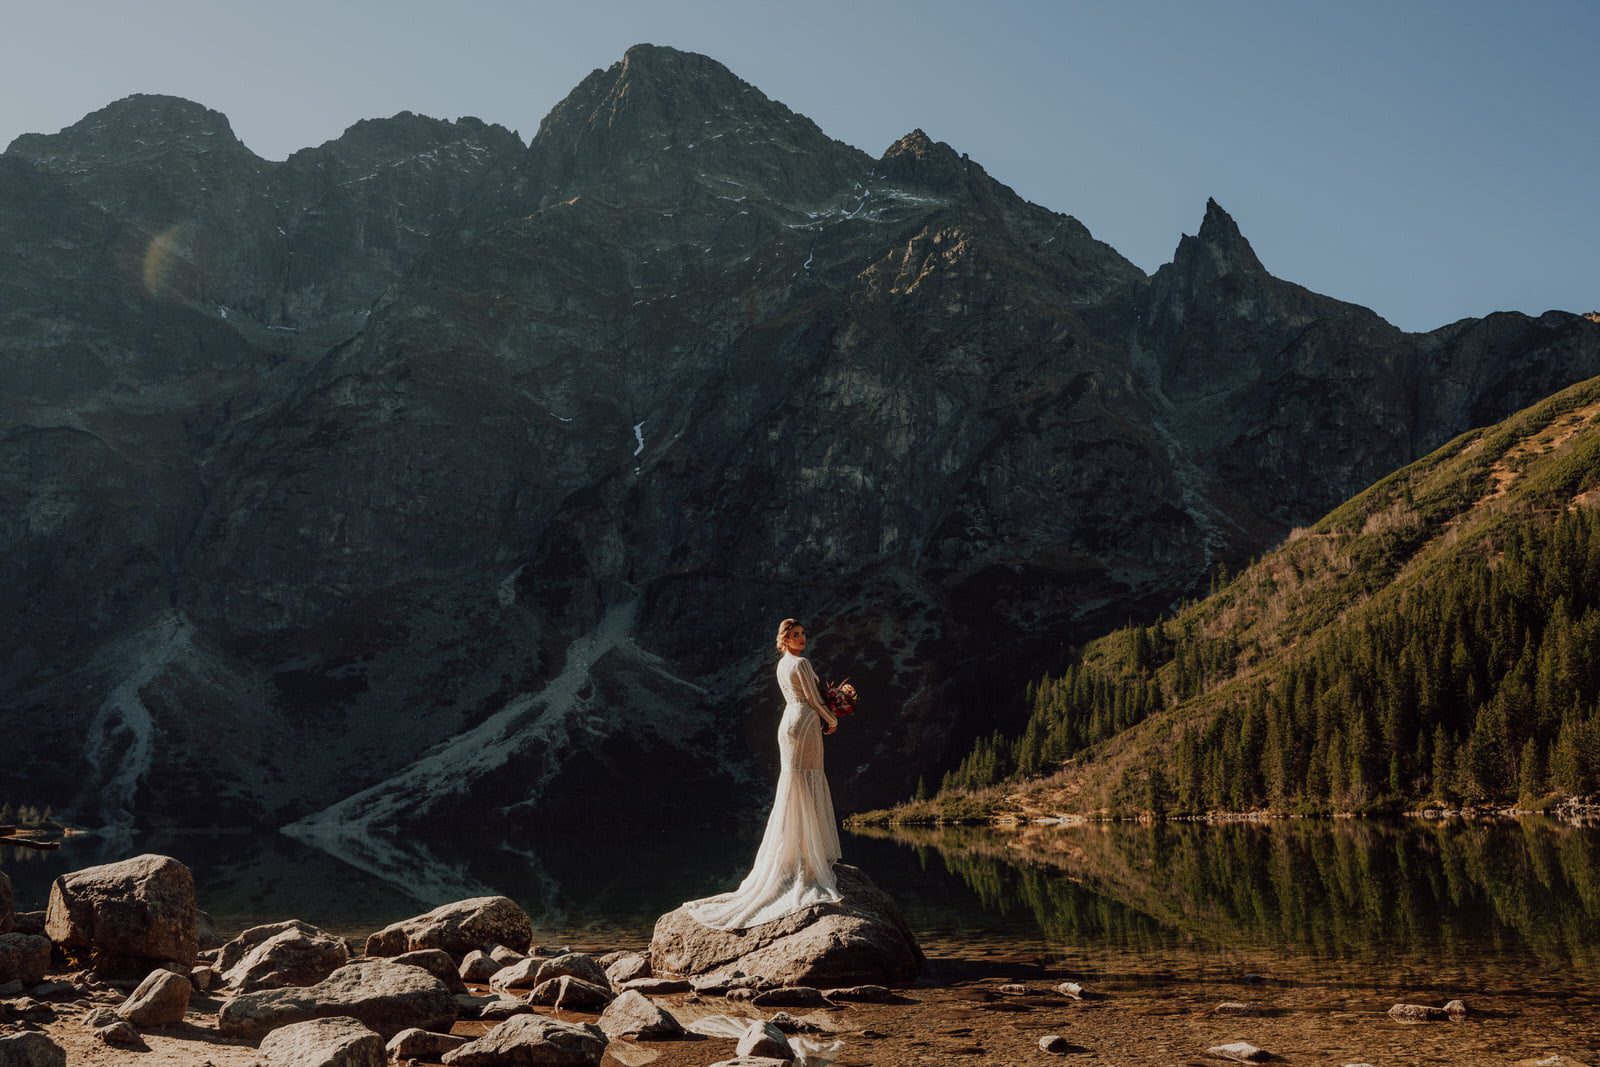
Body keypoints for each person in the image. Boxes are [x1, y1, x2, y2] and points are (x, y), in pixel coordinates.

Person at [683, 618, 843, 930]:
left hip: (788, 723)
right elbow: (812, 698)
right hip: (807, 722)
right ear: (784, 640)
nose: (801, 638)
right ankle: (808, 855)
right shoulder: (801, 663)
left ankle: (796, 852)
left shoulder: (782, 665)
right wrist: (831, 718)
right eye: (795, 635)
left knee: (793, 783)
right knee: (807, 781)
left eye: (802, 634)